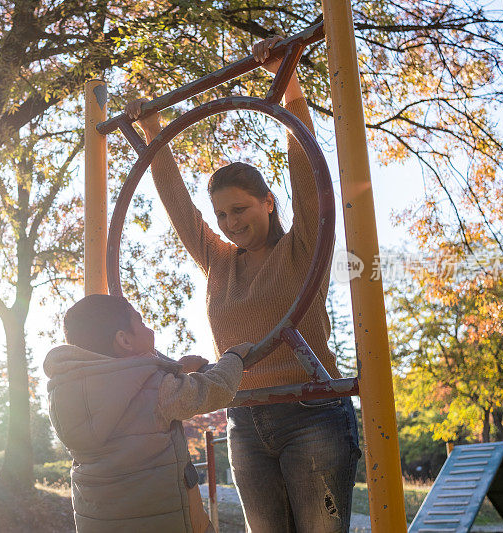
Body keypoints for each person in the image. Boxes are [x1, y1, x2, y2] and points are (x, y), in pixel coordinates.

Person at [125, 36, 361, 532]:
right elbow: (178, 207)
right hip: (247, 418)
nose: (230, 223)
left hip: (311, 413)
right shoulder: (219, 262)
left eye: (240, 209)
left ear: (268, 202)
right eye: (222, 214)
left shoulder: (301, 248)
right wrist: (152, 130)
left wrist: (288, 81)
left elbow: (306, 170)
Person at [44, 293, 253, 532]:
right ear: (124, 341)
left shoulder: (64, 396)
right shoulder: (160, 391)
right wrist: (234, 358)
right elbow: (213, 390)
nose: (148, 329)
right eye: (141, 322)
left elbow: (122, 385)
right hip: (167, 521)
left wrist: (178, 370)